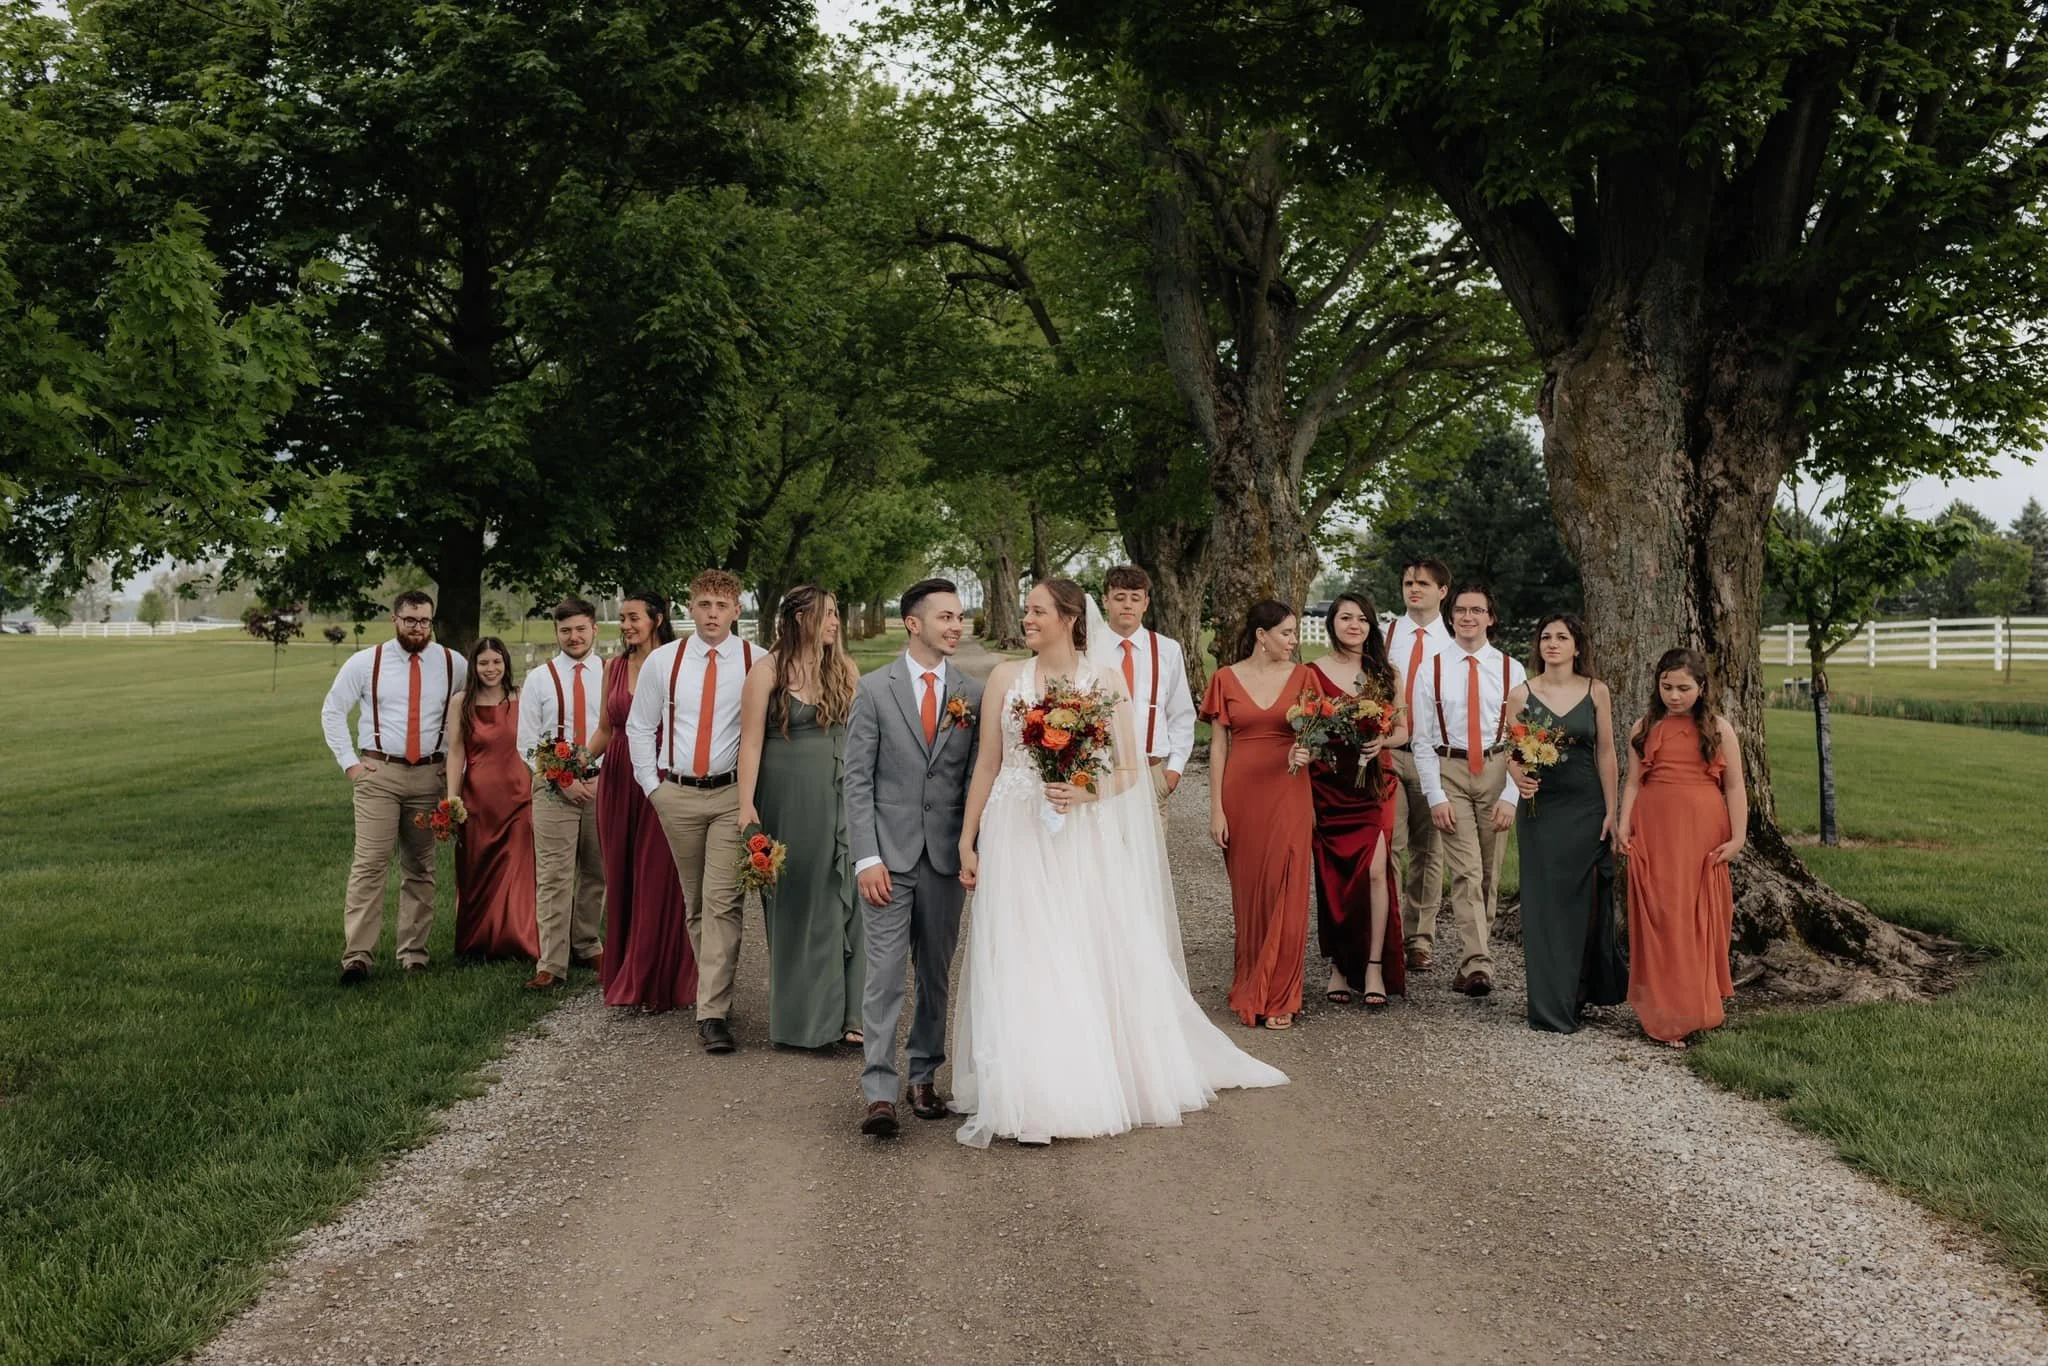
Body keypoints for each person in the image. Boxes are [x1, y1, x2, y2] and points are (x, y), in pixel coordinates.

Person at [951, 580, 1286, 1147]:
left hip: (1081, 830)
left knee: (1080, 943)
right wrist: (968, 840)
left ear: (1068, 618)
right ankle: (1023, 1078)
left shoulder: (1104, 682)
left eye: (1036, 611)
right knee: (1021, 945)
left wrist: (1088, 791)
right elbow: (987, 763)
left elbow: (1128, 770)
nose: (1026, 618)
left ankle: (1082, 1076)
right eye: (1027, 610)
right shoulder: (1006, 678)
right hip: (1014, 828)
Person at [845, 578, 982, 1136]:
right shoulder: (876, 690)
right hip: (888, 860)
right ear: (914, 623)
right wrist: (865, 858)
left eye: (959, 618)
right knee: (883, 976)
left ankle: (923, 1076)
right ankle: (879, 1090)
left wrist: (972, 846)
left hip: (946, 858)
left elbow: (975, 777)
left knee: (934, 974)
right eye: (945, 617)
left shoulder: (972, 694)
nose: (956, 626)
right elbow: (856, 781)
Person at [626, 570, 761, 1055]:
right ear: (689, 607)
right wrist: (652, 788)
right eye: (703, 604)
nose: (711, 614)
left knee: (723, 901)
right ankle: (714, 991)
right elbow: (639, 727)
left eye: (721, 606)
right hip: (676, 795)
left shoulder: (757, 661)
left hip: (729, 797)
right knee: (696, 904)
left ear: (736, 610)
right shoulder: (666, 661)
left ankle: (713, 1013)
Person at [737, 585, 864, 1050]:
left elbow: (863, 732)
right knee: (797, 902)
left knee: (844, 897)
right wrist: (745, 807)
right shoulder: (766, 671)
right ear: (798, 619)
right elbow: (750, 742)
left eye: (836, 614)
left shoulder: (844, 668)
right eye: (826, 614)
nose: (835, 622)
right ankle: (802, 1022)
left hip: (839, 794)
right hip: (786, 797)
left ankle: (850, 1016)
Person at [320, 590, 467, 984]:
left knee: (420, 867)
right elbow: (333, 710)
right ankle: (358, 957)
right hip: (378, 774)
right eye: (410, 620)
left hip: (429, 777)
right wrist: (350, 764)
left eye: (424, 621)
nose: (418, 628)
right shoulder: (367, 662)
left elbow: (477, 713)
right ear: (395, 619)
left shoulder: (454, 664)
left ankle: (414, 954)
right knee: (370, 865)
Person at [1617, 648, 1745, 1048]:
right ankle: (1663, 1013)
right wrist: (1623, 826)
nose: (1674, 695)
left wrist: (1738, 837)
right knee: (1661, 914)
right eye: (1667, 687)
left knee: (1696, 917)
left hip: (1702, 830)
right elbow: (1634, 783)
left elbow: (1735, 786)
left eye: (1684, 688)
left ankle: (1694, 1008)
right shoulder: (1644, 726)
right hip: (1655, 829)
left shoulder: (1719, 729)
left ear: (1702, 688)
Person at [1504, 613, 1625, 1032]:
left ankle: (1580, 992)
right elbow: (1511, 750)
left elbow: (1607, 753)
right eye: (1546, 637)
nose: (1552, 643)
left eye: (1562, 637)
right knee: (1544, 908)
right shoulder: (1521, 694)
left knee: (1585, 906)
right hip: (1542, 813)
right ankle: (1549, 1005)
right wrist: (1517, 775)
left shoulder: (1596, 692)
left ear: (1577, 646)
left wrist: (1612, 811)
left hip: (1587, 807)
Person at [1201, 600, 1316, 1030]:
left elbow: (1316, 735)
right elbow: (1217, 747)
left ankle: (1283, 994)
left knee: (1287, 888)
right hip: (1241, 796)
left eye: (1295, 633)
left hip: (1289, 791)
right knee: (1250, 897)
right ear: (1261, 635)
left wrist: (1308, 751)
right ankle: (1252, 982)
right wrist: (1216, 809)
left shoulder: (1305, 678)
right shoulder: (1225, 679)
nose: (1294, 641)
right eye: (1286, 633)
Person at [1411, 583, 1526, 997]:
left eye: (1477, 610)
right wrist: (1435, 795)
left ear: (1490, 618)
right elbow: (1422, 739)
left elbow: (1523, 740)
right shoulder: (1432, 668)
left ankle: (1474, 957)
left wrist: (1512, 796)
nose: (1467, 617)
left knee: (1490, 873)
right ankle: (1478, 962)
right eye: (1460, 610)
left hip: (1498, 769)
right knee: (1466, 871)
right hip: (1450, 771)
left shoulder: (1513, 670)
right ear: (1451, 616)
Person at [589, 591, 696, 1012]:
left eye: (634, 617)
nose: (627, 625)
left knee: (659, 878)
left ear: (657, 619)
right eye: (622, 619)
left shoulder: (677, 663)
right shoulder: (614, 667)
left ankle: (656, 979)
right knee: (622, 875)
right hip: (617, 775)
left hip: (659, 774)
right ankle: (624, 970)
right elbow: (604, 728)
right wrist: (576, 759)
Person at [1307, 593, 1408, 1009]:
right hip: (1329, 785)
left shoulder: (1385, 673)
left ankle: (1372, 966)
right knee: (1335, 877)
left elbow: (1402, 731)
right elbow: (1307, 729)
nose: (1355, 625)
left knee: (1376, 871)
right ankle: (1337, 967)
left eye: (1362, 619)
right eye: (1346, 618)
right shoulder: (1311, 673)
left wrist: (1381, 738)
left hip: (1374, 785)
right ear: (1331, 623)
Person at [516, 597, 607, 990]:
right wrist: (561, 779)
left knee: (597, 870)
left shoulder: (612, 672)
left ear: (594, 630)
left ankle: (587, 942)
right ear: (557, 633)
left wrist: (599, 777)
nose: (574, 637)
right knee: (554, 875)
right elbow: (526, 742)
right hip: (553, 788)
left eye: (580, 629)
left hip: (603, 782)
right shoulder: (540, 677)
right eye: (566, 630)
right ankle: (551, 962)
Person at [442, 637, 541, 962]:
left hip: (518, 795)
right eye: (483, 663)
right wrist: (451, 799)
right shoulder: (461, 702)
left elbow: (533, 745)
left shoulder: (520, 697)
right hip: (478, 799)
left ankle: (519, 941)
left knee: (517, 871)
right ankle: (477, 943)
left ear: (505, 664)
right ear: (474, 666)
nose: (490, 669)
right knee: (477, 870)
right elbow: (456, 751)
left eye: (496, 662)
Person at [1382, 558, 1454, 972]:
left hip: (1435, 757)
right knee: (1389, 844)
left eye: (1423, 584)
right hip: (1392, 750)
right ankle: (1387, 928)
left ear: (1442, 591)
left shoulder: (1454, 640)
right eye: (1408, 582)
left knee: (1430, 849)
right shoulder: (1386, 635)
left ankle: (1419, 939)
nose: (1414, 589)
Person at [1089, 564, 1197, 815]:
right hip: (1100, 771)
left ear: (1146, 603)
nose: (1127, 605)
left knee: (1151, 855)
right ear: (1105, 601)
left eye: (1135, 598)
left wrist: (1174, 769)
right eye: (1119, 597)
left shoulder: (1167, 650)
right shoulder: (1088, 650)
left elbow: (1180, 713)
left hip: (1151, 771)